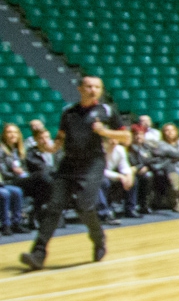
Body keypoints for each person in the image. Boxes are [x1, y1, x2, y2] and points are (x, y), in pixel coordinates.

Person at [20, 74, 131, 269]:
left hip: (92, 164)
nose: (93, 90)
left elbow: (126, 137)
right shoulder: (68, 112)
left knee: (84, 205)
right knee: (53, 207)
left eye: (97, 87)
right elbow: (58, 143)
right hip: (68, 164)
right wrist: (47, 146)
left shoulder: (106, 110)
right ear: (80, 89)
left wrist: (105, 132)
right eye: (88, 86)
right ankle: (38, 253)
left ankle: (99, 239)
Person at [0, 123, 30, 235]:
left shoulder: (18, 150)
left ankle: (16, 223)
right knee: (5, 193)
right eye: (9, 132)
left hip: (14, 181)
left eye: (15, 132)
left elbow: (25, 168)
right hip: (4, 182)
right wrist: (16, 173)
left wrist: (23, 173)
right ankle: (6, 225)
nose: (12, 135)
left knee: (17, 191)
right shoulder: (1, 150)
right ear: (4, 135)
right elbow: (3, 172)